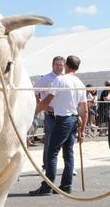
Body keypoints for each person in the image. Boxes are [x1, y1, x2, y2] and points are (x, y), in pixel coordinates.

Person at [29, 55, 88, 195]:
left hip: (63, 120)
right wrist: (83, 130)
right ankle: (66, 185)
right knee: (69, 153)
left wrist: (33, 113)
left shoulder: (59, 80)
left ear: (66, 65)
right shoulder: (80, 83)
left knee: (52, 153)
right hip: (74, 119)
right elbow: (85, 109)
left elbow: (46, 101)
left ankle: (47, 186)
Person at [34, 56, 65, 170]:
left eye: (61, 65)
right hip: (51, 115)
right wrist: (43, 106)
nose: (59, 67)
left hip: (64, 115)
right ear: (53, 65)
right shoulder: (46, 79)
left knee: (66, 142)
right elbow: (35, 91)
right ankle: (46, 166)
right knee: (49, 141)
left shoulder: (66, 78)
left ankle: (68, 167)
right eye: (57, 64)